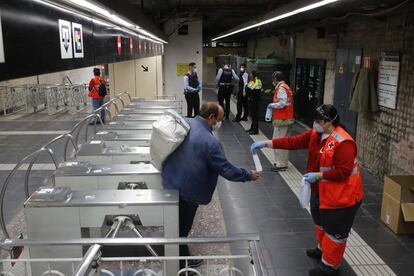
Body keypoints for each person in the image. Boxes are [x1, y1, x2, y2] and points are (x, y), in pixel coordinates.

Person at [250, 104, 364, 276]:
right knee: (320, 222)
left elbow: (343, 172)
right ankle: (322, 248)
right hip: (321, 191)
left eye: (318, 121)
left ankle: (329, 266)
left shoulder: (344, 142)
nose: (315, 124)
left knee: (335, 232)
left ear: (328, 122)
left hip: (342, 198)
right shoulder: (315, 134)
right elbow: (293, 142)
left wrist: (317, 176)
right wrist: (266, 143)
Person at [162, 102, 261, 269]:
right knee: (181, 229)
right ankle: (180, 266)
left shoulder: (187, 122)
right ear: (211, 117)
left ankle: (183, 257)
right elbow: (227, 170)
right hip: (187, 191)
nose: (219, 124)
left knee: (177, 226)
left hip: (171, 181)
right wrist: (248, 175)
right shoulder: (210, 142)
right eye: (219, 120)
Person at [267, 71, 294, 171]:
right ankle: (283, 162)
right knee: (285, 142)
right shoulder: (286, 86)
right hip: (287, 118)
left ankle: (280, 164)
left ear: (275, 79)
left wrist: (272, 105)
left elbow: (282, 103)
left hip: (282, 120)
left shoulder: (281, 88)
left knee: (278, 141)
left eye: (272, 79)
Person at [245, 71, 262, 135]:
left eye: (251, 74)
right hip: (252, 100)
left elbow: (249, 88)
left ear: (254, 75)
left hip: (255, 101)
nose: (250, 75)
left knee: (255, 115)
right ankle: (252, 128)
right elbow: (247, 88)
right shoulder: (252, 81)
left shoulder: (257, 81)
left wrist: (247, 86)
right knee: (252, 115)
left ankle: (255, 130)